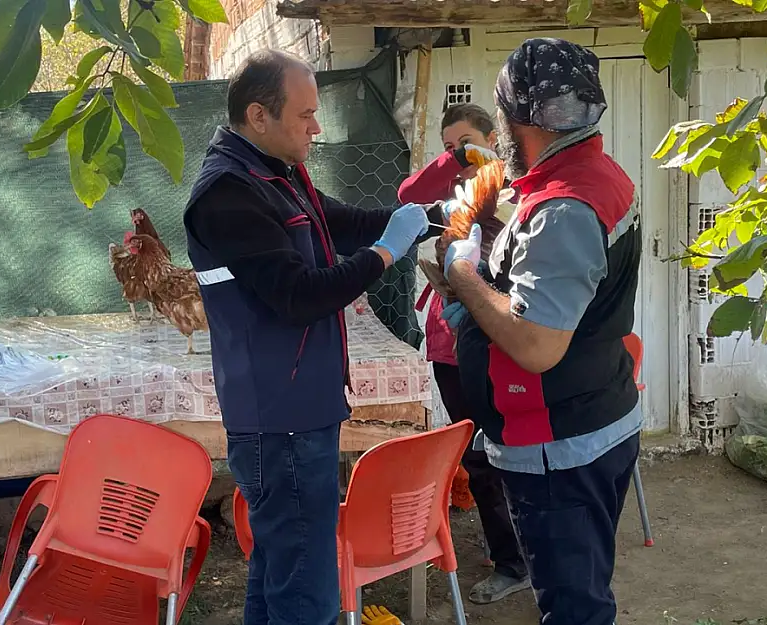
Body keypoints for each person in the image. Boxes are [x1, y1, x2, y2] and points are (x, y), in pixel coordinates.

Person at [183, 50, 439, 625]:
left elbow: (337, 222)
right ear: (258, 115)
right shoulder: (229, 194)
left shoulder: (277, 172)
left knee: (282, 572)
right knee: (309, 594)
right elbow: (297, 297)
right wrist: (387, 252)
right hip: (280, 421)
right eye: (304, 115)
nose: (316, 128)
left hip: (302, 409)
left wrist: (420, 215)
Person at [441, 38, 643, 625]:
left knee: (574, 606)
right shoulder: (594, 175)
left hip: (560, 446)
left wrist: (463, 274)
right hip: (594, 417)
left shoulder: (562, 208)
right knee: (584, 586)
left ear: (514, 117)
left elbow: (535, 344)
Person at [397, 103, 530, 604]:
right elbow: (408, 195)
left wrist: (489, 167)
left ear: (493, 138)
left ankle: (519, 560)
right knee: (475, 454)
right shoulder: (453, 189)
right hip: (448, 342)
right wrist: (457, 164)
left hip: (496, 343)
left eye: (469, 142)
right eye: (452, 146)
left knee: (498, 452)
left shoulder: (512, 191)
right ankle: (509, 553)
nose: (461, 154)